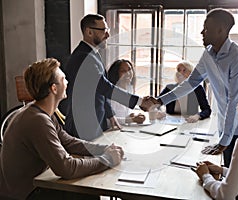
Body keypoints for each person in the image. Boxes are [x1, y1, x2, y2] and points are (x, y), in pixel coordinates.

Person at [145, 8, 238, 167]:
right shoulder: (208, 54)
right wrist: (159, 101)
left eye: (206, 28)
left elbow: (234, 100)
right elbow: (191, 83)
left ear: (220, 30)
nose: (201, 32)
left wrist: (224, 141)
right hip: (225, 123)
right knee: (226, 171)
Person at [0, 58, 124, 200]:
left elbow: (69, 142)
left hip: (33, 187)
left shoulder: (40, 112)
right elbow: (67, 168)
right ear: (54, 88)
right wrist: (107, 159)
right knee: (87, 192)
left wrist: (104, 149)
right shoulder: (38, 120)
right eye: (64, 79)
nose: (67, 82)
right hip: (26, 194)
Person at [59, 14, 151, 140]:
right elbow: (104, 86)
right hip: (83, 124)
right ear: (89, 32)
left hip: (95, 121)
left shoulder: (93, 54)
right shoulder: (83, 57)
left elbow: (100, 89)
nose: (108, 35)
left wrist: (110, 114)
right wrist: (139, 102)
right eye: (104, 30)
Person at [107, 59, 146, 124]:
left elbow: (124, 113)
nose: (128, 73)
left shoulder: (129, 88)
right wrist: (132, 120)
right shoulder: (111, 93)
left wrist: (133, 115)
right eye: (123, 71)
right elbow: (108, 120)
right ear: (116, 73)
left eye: (129, 69)